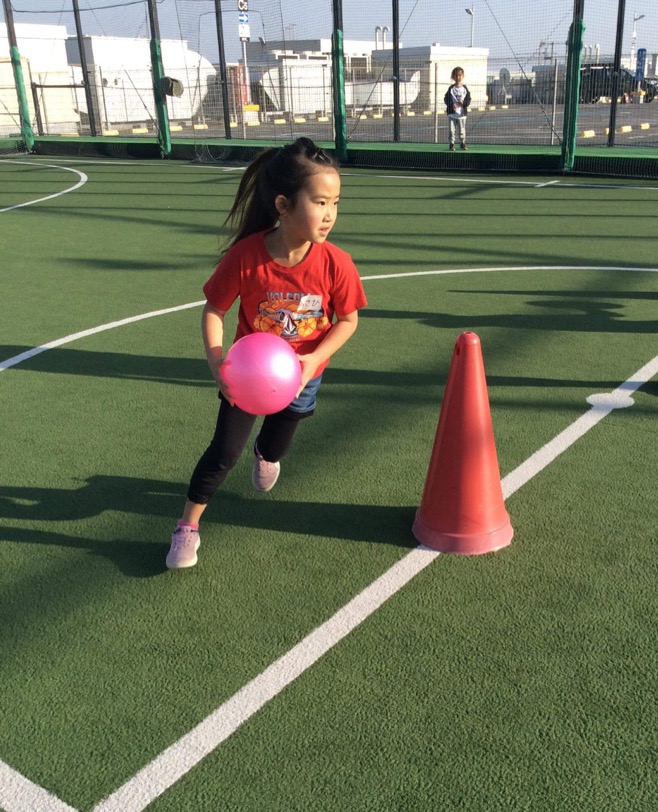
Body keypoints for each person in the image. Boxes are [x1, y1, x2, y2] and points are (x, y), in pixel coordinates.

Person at [166, 137, 368, 569]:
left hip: (302, 378)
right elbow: (214, 310)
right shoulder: (247, 257)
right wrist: (217, 360)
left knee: (275, 446)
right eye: (319, 202)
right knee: (223, 452)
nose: (330, 214)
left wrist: (313, 360)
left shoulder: (337, 264)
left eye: (335, 202)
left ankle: (267, 454)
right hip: (245, 376)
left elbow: (348, 320)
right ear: (283, 204)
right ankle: (187, 527)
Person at [444, 66, 471, 151]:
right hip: (452, 114)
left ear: (462, 76)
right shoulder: (451, 88)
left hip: (461, 114)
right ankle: (451, 144)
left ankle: (462, 144)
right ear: (453, 77)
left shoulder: (464, 89)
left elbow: (468, 99)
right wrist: (451, 105)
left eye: (460, 75)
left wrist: (464, 104)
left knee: (462, 130)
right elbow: (446, 98)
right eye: (456, 75)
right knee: (452, 130)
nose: (458, 77)